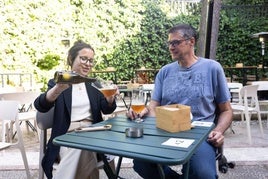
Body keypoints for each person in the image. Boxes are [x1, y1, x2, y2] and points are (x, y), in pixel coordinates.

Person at [127, 24, 233, 179]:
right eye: (169, 43)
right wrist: (141, 112)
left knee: (203, 174)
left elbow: (226, 110)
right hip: (165, 131)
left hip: (200, 135)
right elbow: (154, 106)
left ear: (191, 41)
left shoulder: (212, 68)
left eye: (175, 43)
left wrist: (218, 131)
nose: (171, 47)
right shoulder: (164, 72)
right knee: (141, 163)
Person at [34, 40, 118, 179]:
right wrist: (57, 90)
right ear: (72, 59)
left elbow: (107, 109)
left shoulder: (94, 84)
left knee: (85, 144)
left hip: (94, 130)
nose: (88, 63)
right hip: (65, 135)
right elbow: (40, 105)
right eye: (83, 58)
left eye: (91, 60)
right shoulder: (59, 82)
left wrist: (110, 99)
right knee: (84, 146)